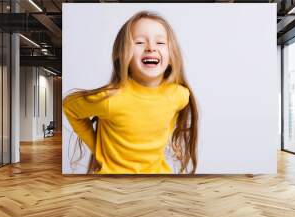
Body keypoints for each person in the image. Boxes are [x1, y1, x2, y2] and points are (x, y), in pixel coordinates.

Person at [63, 11, 198, 174]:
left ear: (171, 55)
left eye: (160, 42)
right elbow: (69, 107)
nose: (151, 48)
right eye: (139, 42)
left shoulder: (179, 96)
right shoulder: (110, 99)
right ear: (122, 54)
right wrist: (98, 149)